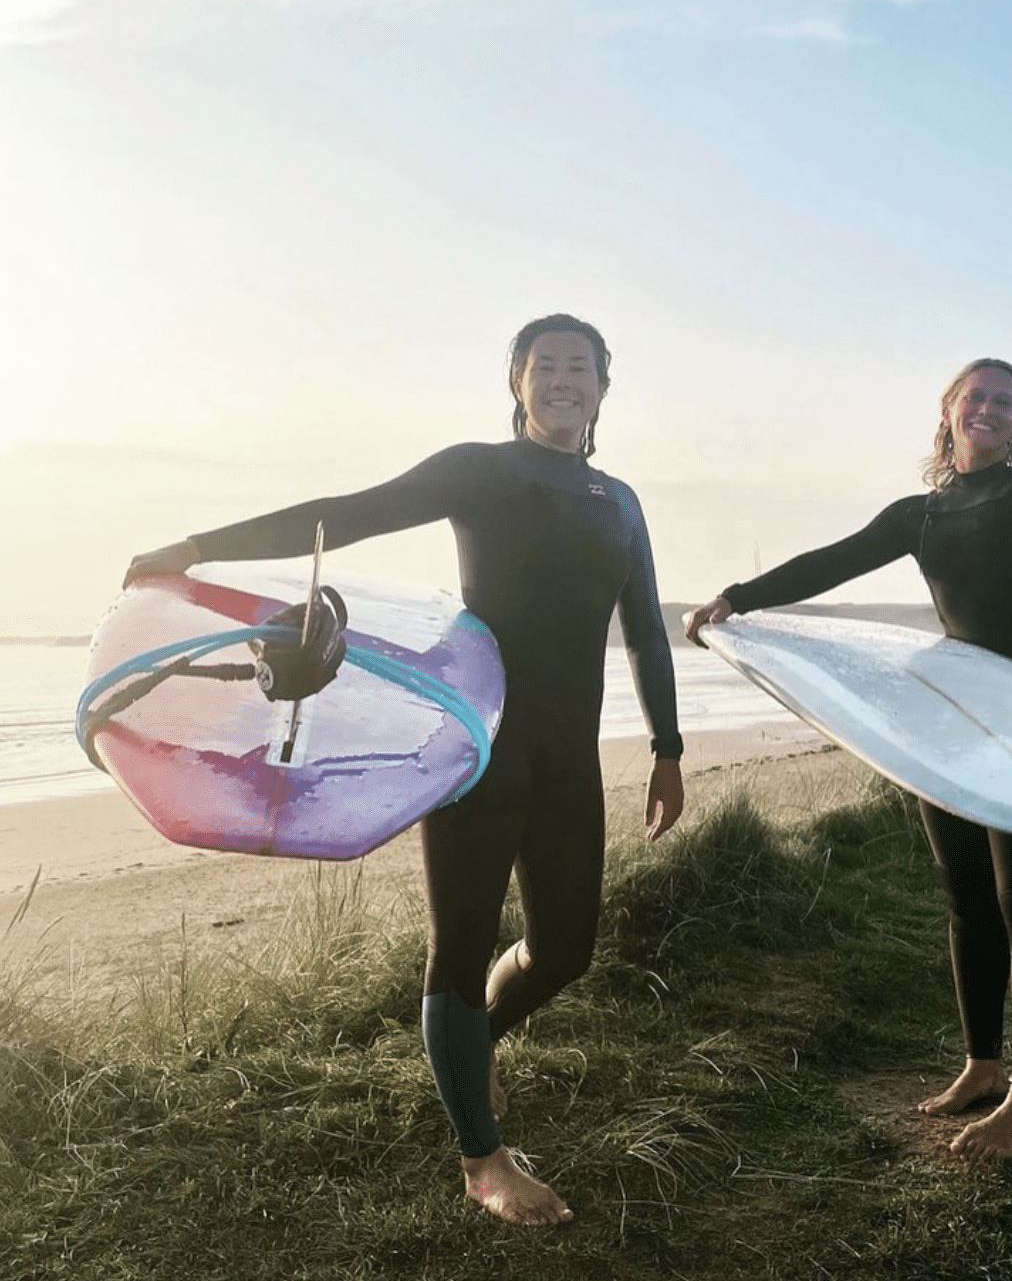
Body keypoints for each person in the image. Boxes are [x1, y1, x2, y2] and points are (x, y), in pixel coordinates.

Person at [124, 313, 686, 1224]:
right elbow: (346, 515)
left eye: (579, 367)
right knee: (460, 950)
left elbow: (649, 631)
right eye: (544, 366)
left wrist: (668, 748)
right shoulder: (479, 470)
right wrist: (198, 547)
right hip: (473, 749)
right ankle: (483, 1163)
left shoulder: (619, 503)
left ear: (603, 387)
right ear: (517, 383)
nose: (562, 380)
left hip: (568, 757)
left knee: (565, 949)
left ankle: (470, 1048)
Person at [684, 358, 1012, 1163]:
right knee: (967, 901)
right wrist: (736, 599)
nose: (989, 410)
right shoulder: (921, 514)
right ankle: (983, 1065)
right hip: (947, 727)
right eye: (975, 398)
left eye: (1005, 403)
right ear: (947, 412)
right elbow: (832, 562)